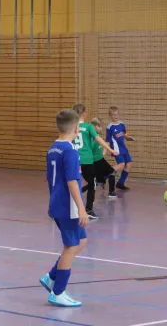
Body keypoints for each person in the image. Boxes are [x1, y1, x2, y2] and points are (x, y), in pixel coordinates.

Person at [40, 109, 89, 307]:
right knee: (71, 246)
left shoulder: (53, 148)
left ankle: (51, 277)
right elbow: (72, 182)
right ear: (76, 128)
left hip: (58, 202)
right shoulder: (70, 151)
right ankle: (58, 292)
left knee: (81, 241)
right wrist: (82, 208)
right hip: (68, 206)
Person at [73, 104, 118, 219]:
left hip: (74, 160)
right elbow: (99, 139)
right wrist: (110, 149)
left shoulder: (72, 127)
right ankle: (88, 209)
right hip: (87, 161)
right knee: (92, 183)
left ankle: (64, 208)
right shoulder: (88, 127)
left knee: (72, 183)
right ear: (83, 113)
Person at [106, 106, 135, 190]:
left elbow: (125, 135)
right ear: (110, 116)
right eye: (113, 115)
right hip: (116, 149)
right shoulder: (109, 127)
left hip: (123, 148)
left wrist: (130, 138)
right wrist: (106, 150)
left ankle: (120, 183)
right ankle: (105, 174)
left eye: (116, 114)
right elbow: (107, 140)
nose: (115, 116)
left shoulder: (122, 124)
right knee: (121, 164)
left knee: (128, 163)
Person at [90, 117, 117, 199]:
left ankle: (101, 179)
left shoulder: (96, 136)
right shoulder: (93, 138)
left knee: (95, 180)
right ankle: (111, 193)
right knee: (112, 172)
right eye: (100, 126)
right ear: (95, 126)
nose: (101, 129)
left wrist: (103, 153)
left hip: (99, 159)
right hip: (97, 160)